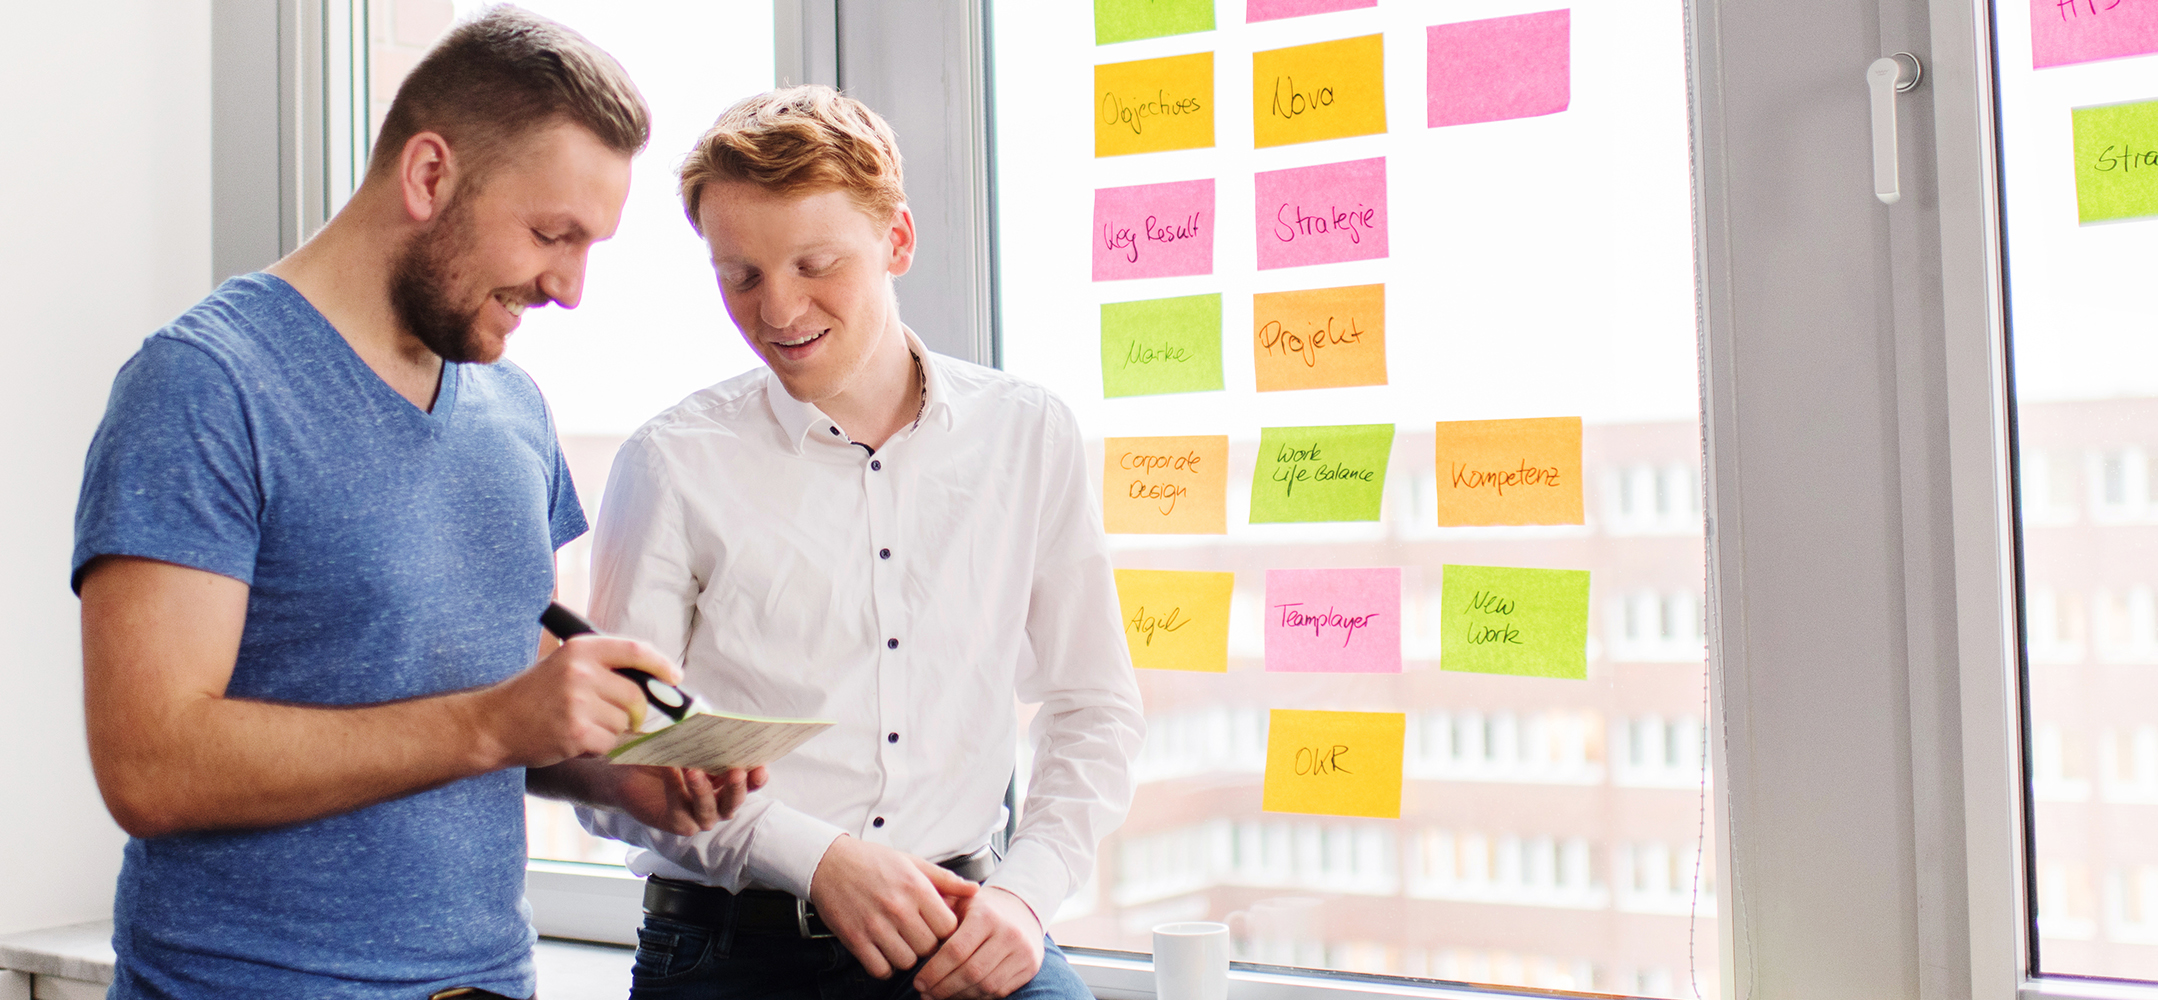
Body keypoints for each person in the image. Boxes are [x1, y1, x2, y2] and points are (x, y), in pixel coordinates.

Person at [72, 8, 759, 998]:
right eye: (549, 234)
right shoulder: (204, 386)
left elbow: (481, 699)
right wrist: (497, 722)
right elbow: (150, 766)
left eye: (589, 246)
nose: (568, 287)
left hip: (485, 981)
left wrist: (617, 773)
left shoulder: (513, 406)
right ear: (430, 174)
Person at [577, 85, 1146, 1000]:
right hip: (732, 955)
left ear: (899, 241)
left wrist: (1025, 899)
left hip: (959, 928)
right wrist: (817, 859)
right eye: (742, 274)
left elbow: (1095, 707)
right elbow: (622, 748)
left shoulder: (1028, 435)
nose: (778, 309)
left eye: (816, 263)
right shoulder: (671, 463)